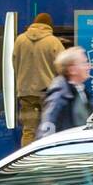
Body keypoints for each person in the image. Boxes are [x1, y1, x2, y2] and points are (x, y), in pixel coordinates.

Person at [12, 12, 63, 146]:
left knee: (29, 131)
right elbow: (64, 68)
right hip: (48, 93)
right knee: (49, 129)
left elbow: (14, 64)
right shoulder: (53, 42)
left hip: (26, 92)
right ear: (49, 26)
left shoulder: (20, 40)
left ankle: (27, 161)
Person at [37, 46, 93, 138]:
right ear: (72, 70)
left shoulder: (81, 91)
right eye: (84, 63)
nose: (88, 66)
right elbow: (47, 128)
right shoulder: (59, 95)